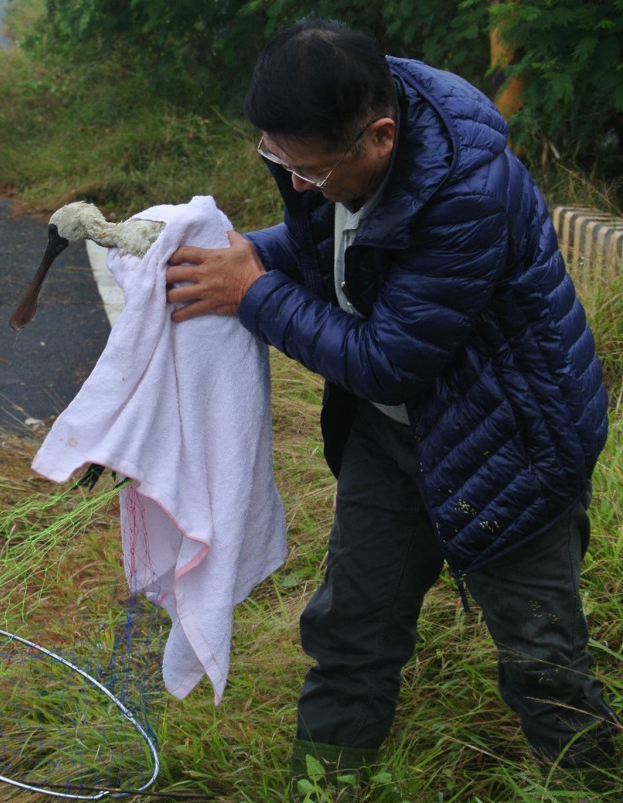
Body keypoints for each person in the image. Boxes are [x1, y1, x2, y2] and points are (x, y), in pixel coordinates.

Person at [165, 17, 619, 792]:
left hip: (512, 451)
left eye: (308, 170)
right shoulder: (348, 125)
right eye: (280, 162)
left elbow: (388, 361)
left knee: (543, 663)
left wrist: (254, 294)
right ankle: (323, 789)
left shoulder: (468, 193)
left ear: (380, 137)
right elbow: (334, 241)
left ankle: (589, 785)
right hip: (393, 440)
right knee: (350, 633)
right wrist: (249, 255)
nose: (297, 185)